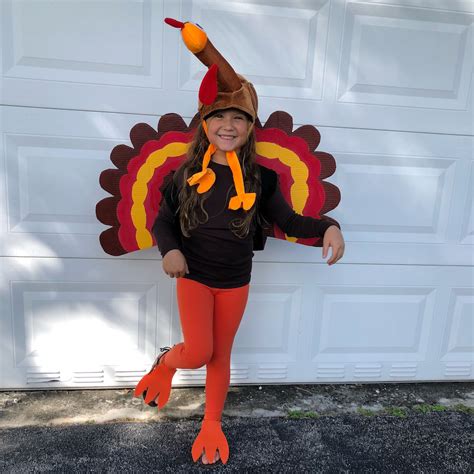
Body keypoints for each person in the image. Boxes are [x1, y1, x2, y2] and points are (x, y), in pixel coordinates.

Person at [134, 18, 345, 466]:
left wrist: (328, 225)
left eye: (239, 118)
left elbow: (287, 219)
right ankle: (167, 364)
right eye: (219, 117)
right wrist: (169, 250)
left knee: (220, 355)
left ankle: (211, 422)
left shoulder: (262, 179)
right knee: (199, 351)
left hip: (236, 281)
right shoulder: (185, 175)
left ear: (251, 126)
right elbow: (163, 219)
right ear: (205, 123)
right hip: (192, 275)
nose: (228, 125)